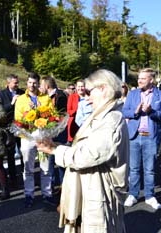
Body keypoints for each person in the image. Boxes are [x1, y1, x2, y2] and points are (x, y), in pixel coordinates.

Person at [36, 69, 129, 233]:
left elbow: (89, 155)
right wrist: (56, 146)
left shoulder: (112, 120)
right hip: (91, 193)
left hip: (100, 196)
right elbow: (84, 148)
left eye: (88, 91)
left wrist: (55, 151)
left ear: (104, 89)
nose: (87, 97)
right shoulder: (101, 116)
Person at [122, 68, 161, 210]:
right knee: (134, 168)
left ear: (151, 80)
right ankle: (133, 194)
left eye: (143, 78)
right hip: (134, 136)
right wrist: (135, 112)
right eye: (139, 78)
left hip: (150, 137)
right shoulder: (133, 94)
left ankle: (150, 196)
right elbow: (124, 111)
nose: (139, 80)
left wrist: (151, 112)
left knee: (149, 169)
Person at [14, 72, 53, 208]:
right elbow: (17, 119)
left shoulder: (46, 98)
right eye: (30, 82)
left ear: (38, 84)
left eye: (34, 83)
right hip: (28, 136)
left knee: (46, 167)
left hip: (43, 135)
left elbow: (51, 115)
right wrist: (27, 115)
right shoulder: (21, 99)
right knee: (28, 167)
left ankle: (47, 194)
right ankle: (29, 194)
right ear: (27, 83)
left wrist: (40, 113)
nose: (32, 85)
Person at [0, 74, 24, 187]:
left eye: (17, 82)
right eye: (15, 83)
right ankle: (13, 178)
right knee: (11, 153)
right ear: (8, 83)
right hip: (9, 127)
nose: (17, 85)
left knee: (24, 152)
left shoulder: (22, 92)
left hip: (22, 126)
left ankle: (24, 175)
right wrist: (12, 103)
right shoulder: (2, 94)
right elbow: (0, 109)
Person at [66, 80, 86, 144]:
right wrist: (78, 109)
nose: (80, 88)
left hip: (85, 125)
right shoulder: (72, 96)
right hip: (74, 124)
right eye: (79, 86)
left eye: (82, 86)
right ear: (76, 87)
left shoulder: (88, 97)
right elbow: (69, 111)